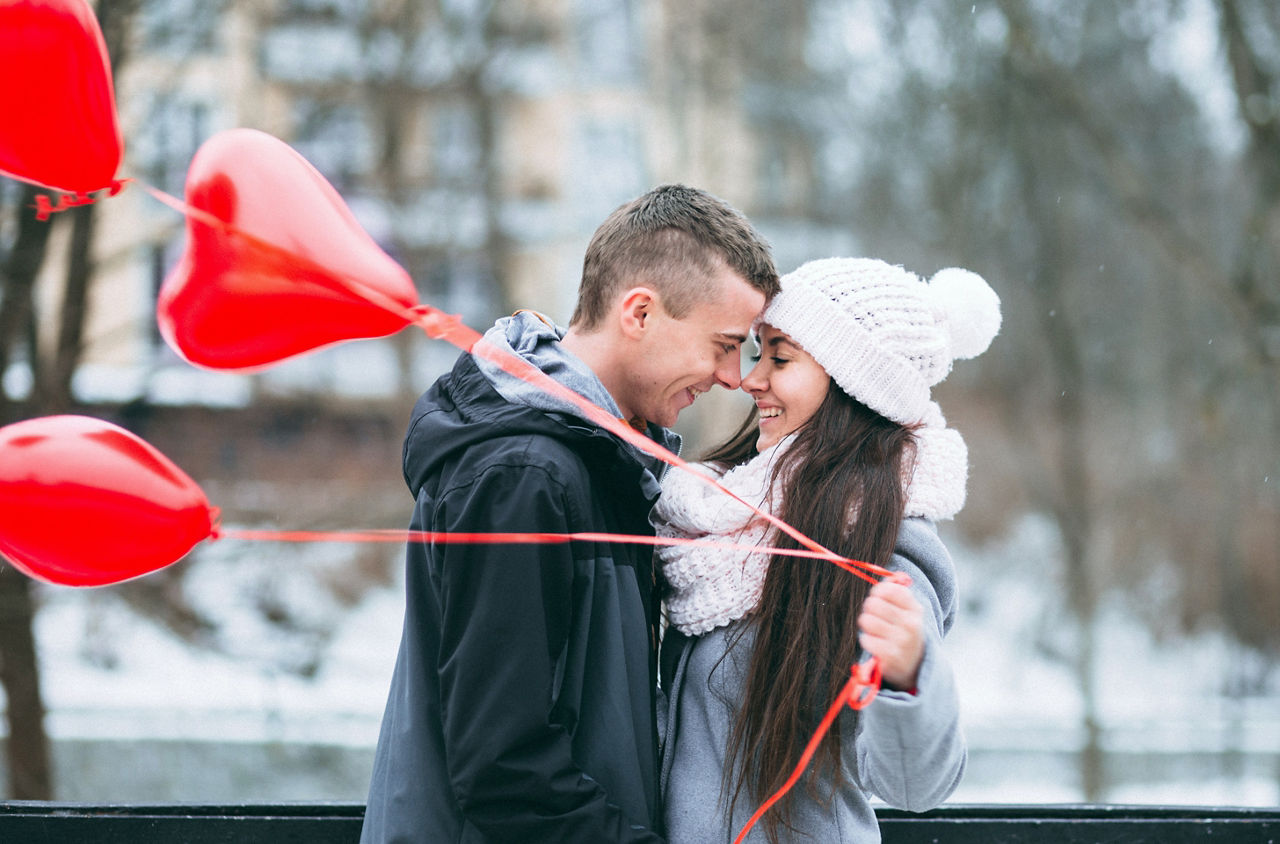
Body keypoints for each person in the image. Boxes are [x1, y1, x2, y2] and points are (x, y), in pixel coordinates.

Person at [360, 184, 780, 843]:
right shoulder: (524, 476)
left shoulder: (600, 463)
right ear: (638, 313)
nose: (734, 376)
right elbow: (503, 766)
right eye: (724, 344)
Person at [653, 257, 1001, 843]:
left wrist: (907, 676)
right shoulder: (713, 522)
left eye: (780, 358)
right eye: (757, 352)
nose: (752, 378)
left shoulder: (882, 550)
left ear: (853, 384)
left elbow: (916, 786)